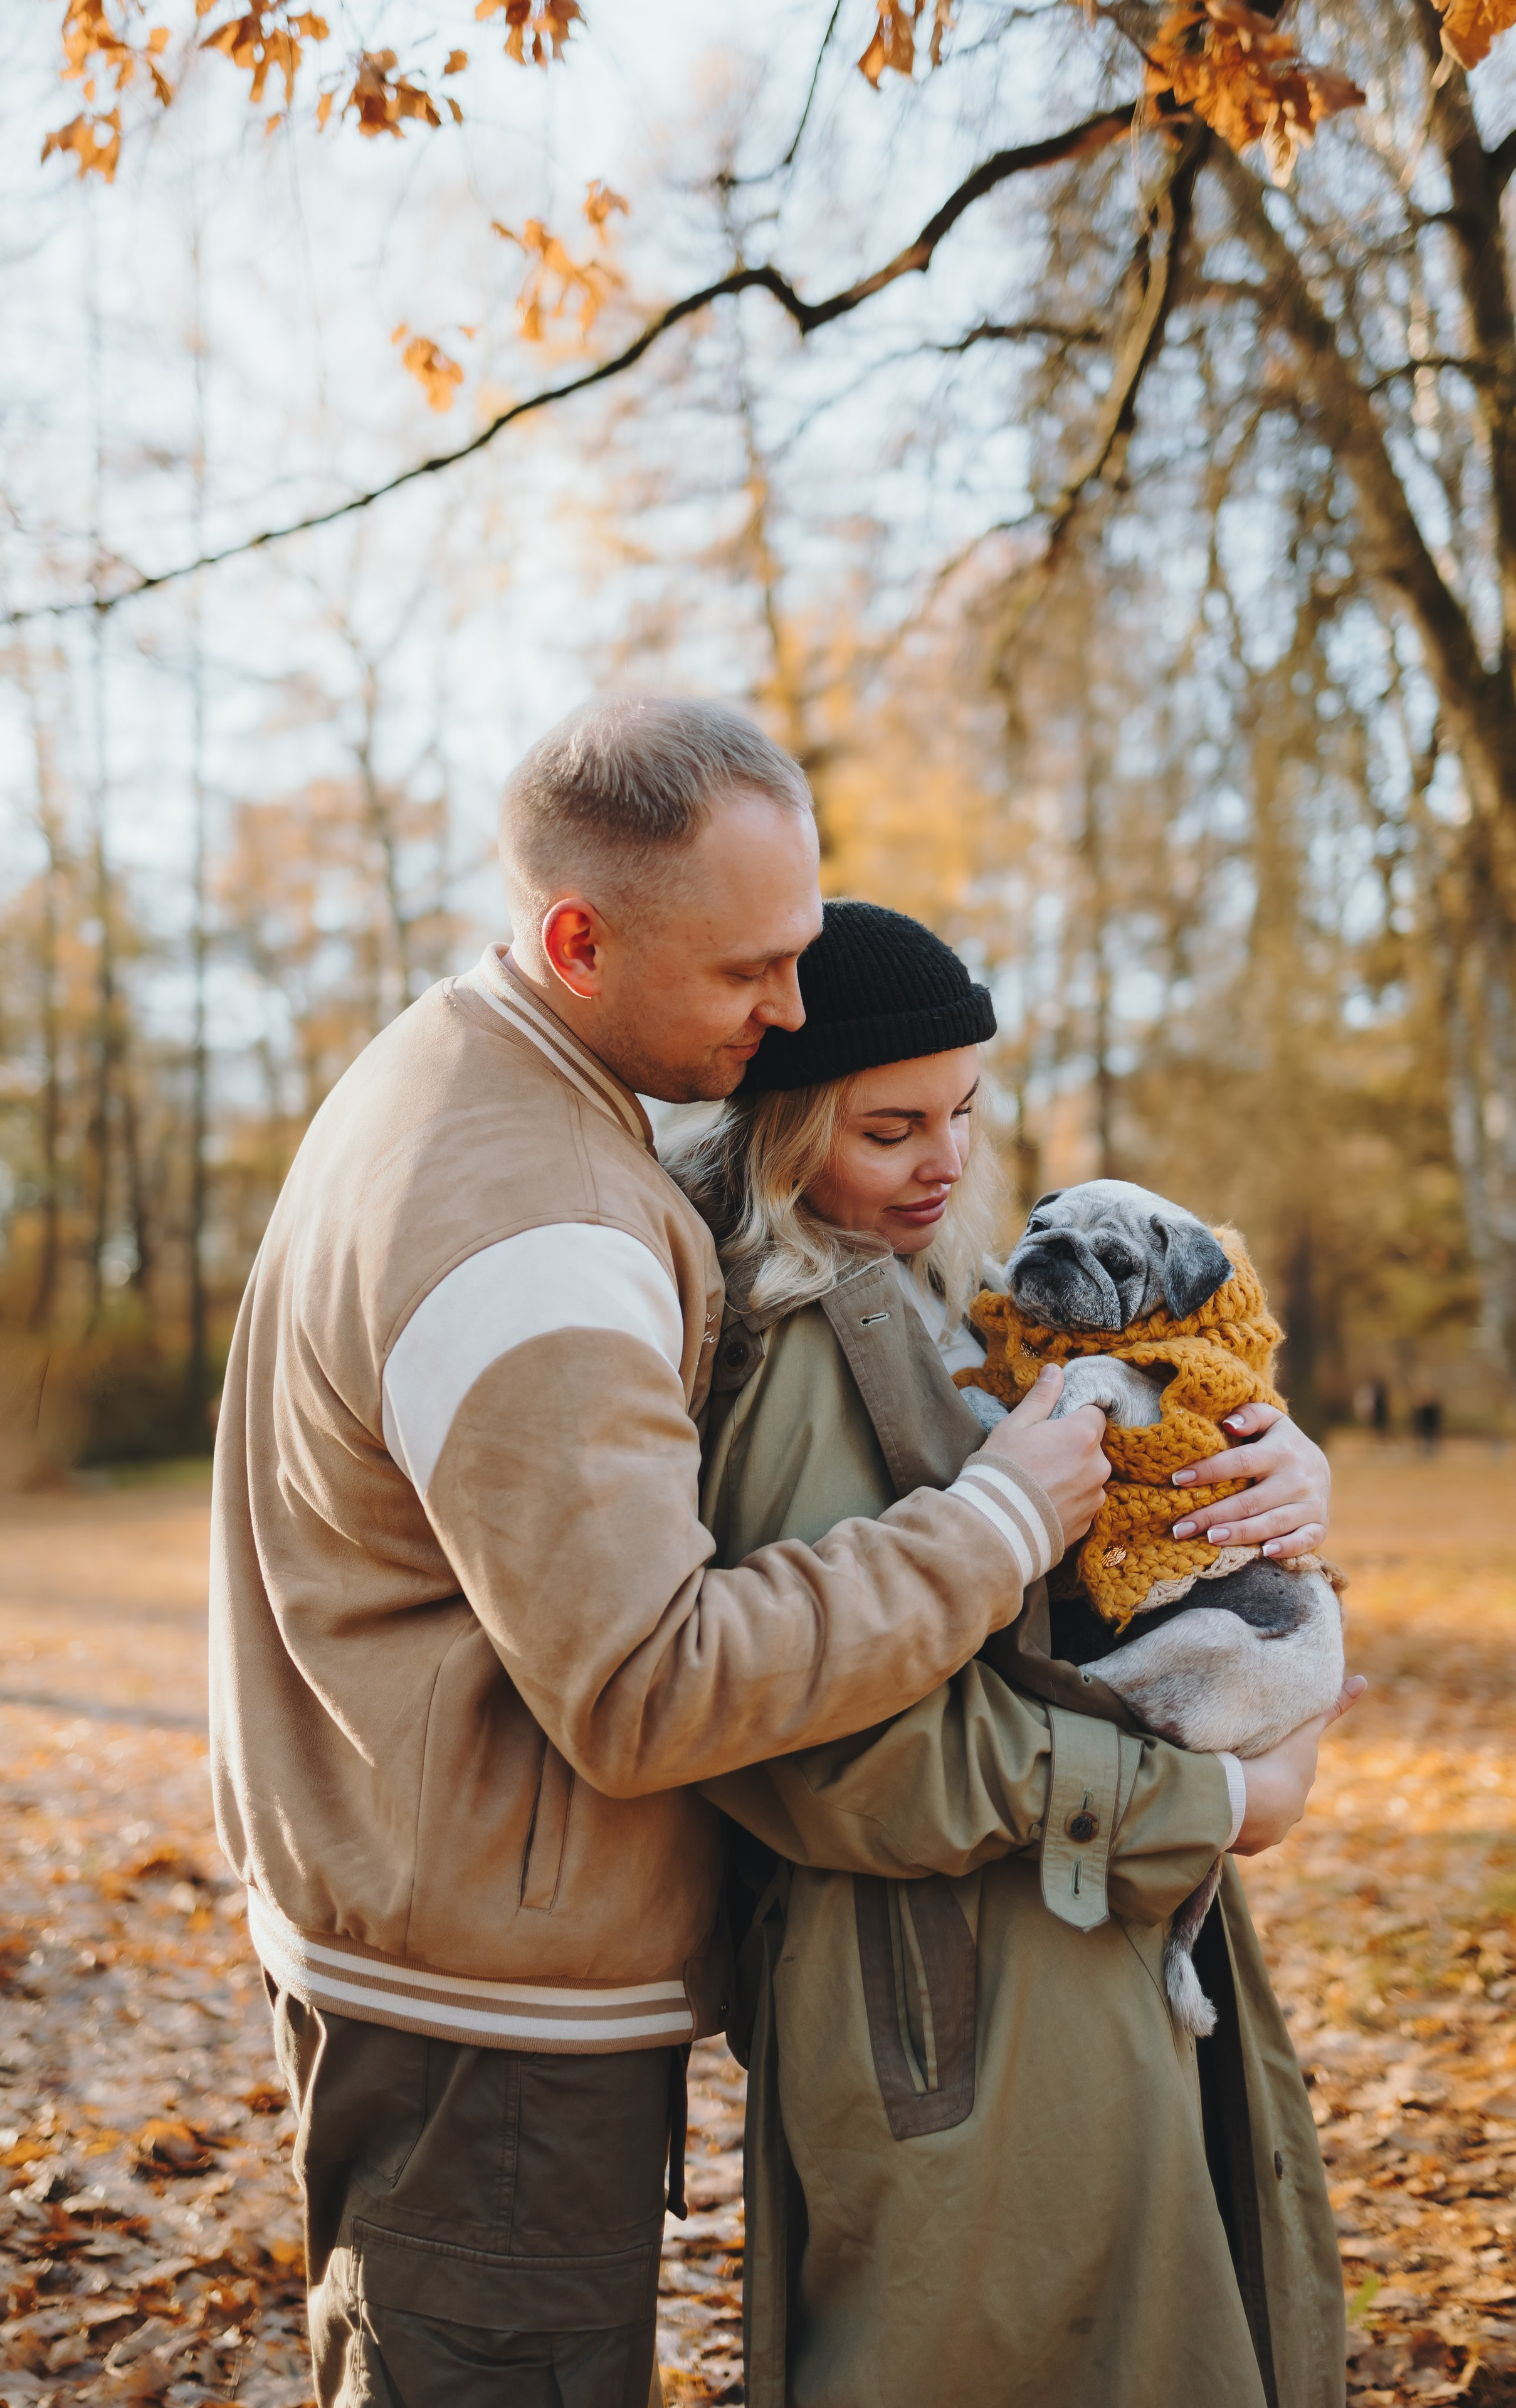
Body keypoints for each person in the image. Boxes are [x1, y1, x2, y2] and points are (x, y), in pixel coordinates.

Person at [209, 699, 1128, 2408]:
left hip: (423, 1922)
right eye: (747, 973)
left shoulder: (466, 1073)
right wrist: (999, 1524)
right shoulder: (534, 1221)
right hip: (481, 2008)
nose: (794, 1009)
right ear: (576, 939)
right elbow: (646, 1685)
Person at [667, 899, 1357, 2408]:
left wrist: (1273, 1476)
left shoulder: (928, 1312)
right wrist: (1212, 1807)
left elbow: (1111, 1546)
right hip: (946, 1989)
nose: (949, 1161)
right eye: (891, 1127)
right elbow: (826, 1749)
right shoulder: (790, 1348)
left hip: (1046, 1932)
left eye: (967, 1111)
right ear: (782, 1132)